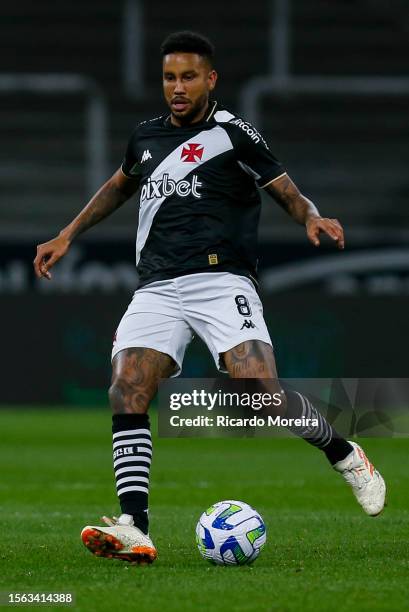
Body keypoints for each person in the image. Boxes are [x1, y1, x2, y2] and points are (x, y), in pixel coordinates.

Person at [33, 31, 386, 565]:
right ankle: (134, 525)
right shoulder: (145, 137)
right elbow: (119, 186)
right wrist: (67, 233)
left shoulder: (232, 134)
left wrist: (311, 215)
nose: (178, 87)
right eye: (170, 77)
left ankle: (344, 453)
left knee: (258, 390)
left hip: (221, 281)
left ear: (210, 79)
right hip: (157, 284)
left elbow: (286, 190)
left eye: (189, 77)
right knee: (128, 383)